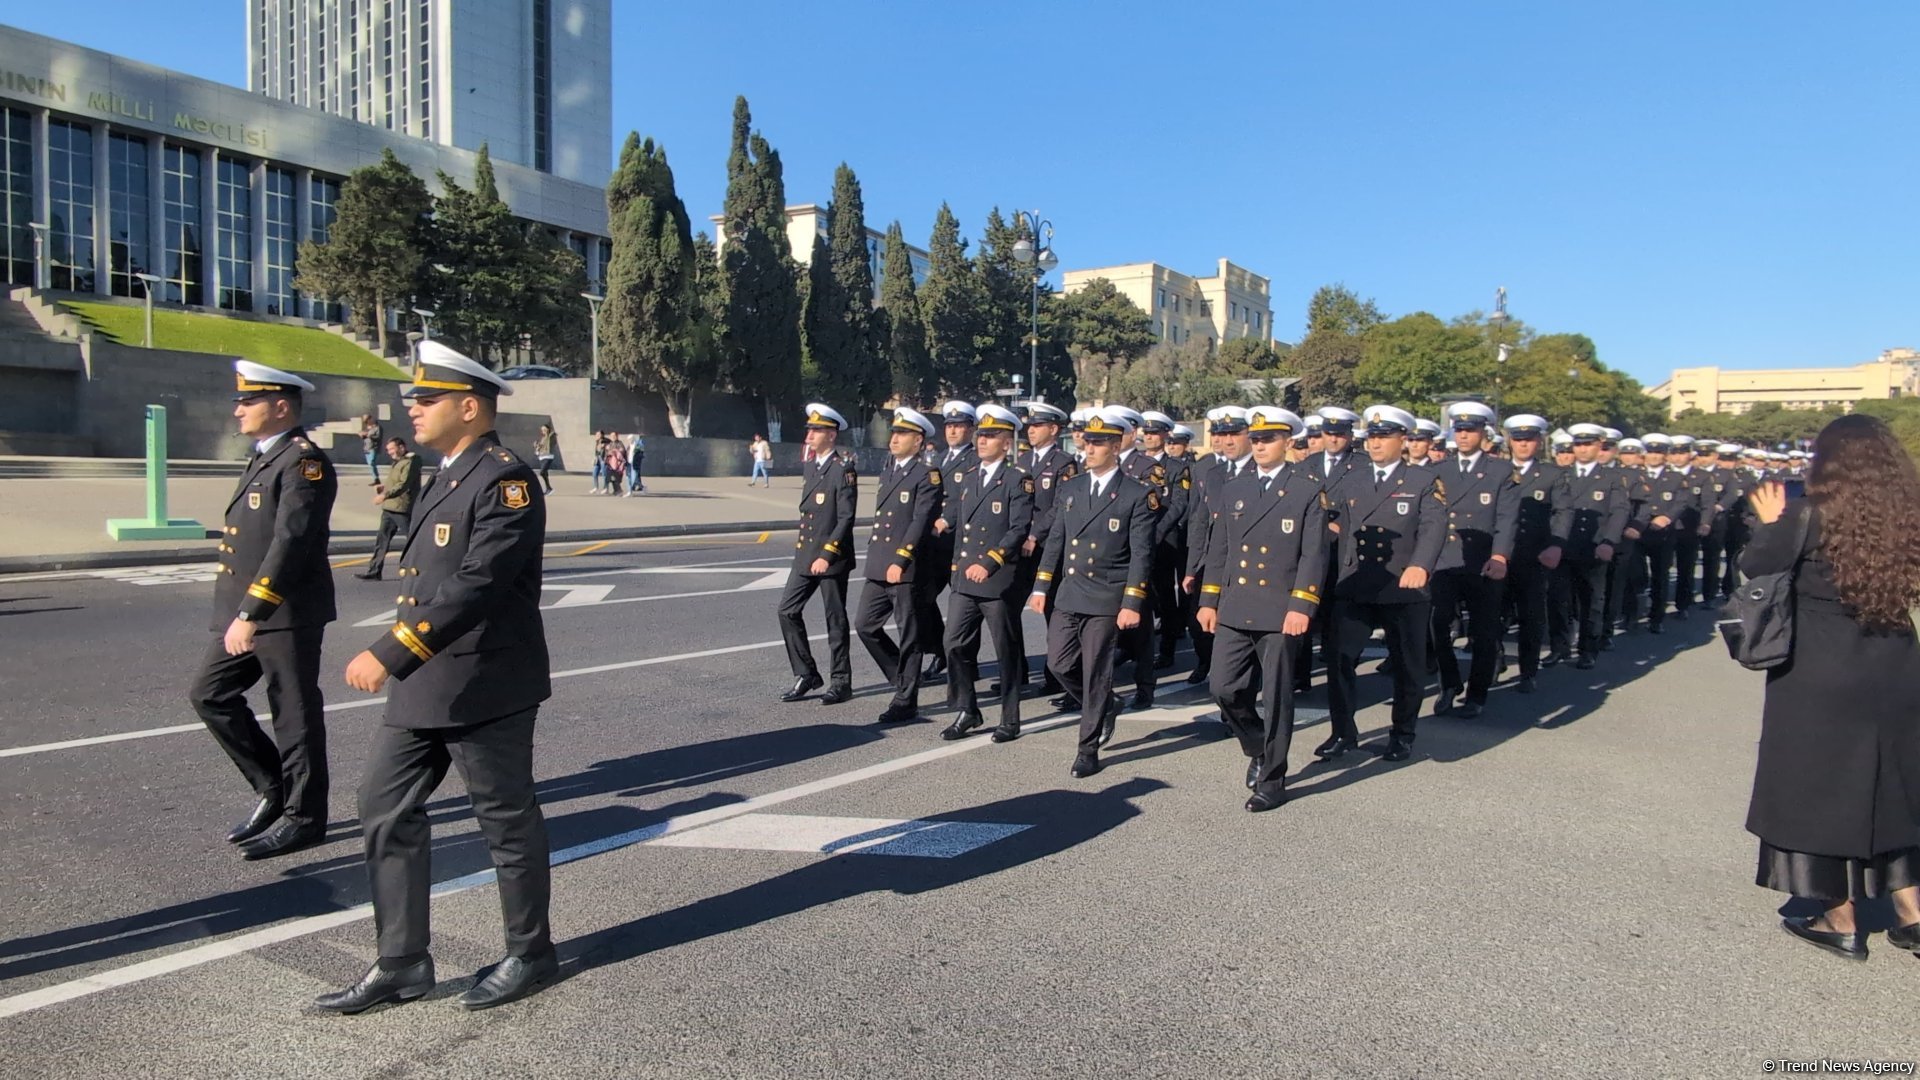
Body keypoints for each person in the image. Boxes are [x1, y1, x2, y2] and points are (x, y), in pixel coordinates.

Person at [324, 340, 556, 1014]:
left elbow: (477, 585)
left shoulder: (507, 480)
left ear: (469, 406)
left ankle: (530, 953)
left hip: (486, 681)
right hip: (427, 683)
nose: (413, 411)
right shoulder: (446, 472)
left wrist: (392, 651)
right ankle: (402, 962)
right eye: (413, 400)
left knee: (505, 823)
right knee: (383, 806)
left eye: (426, 400)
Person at [1742, 414, 1920, 961]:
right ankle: (1913, 914)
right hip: (1895, 662)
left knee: (1816, 787)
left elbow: (1756, 567)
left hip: (1819, 668)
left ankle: (1839, 918)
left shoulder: (1806, 514)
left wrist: (1769, 522)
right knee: (1895, 787)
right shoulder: (1907, 515)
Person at [189, 361, 338, 861]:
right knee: (210, 695)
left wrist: (252, 611)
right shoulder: (264, 458)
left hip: (284, 610)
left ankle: (305, 817)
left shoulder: (303, 462)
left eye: (247, 401)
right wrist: (240, 613)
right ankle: (274, 787)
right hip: (244, 612)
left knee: (293, 713)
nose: (238, 409)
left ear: (280, 406)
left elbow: (290, 542)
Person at [1196, 406, 1324, 813]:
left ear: (1288, 442)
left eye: (1269, 439)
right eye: (1256, 438)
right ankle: (1256, 746)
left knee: (1278, 697)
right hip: (1236, 604)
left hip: (1280, 608)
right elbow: (1220, 549)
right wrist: (1208, 599)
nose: (1261, 445)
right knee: (1223, 688)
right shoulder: (1235, 487)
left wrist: (1302, 603)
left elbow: (1314, 554)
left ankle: (1273, 779)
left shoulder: (1305, 488)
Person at [1030, 406, 1157, 778]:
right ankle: (1106, 704)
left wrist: (1132, 601)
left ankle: (1087, 748)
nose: (1089, 449)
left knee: (1096, 671)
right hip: (1070, 593)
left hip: (1106, 595)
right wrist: (1041, 586)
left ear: (1116, 446)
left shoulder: (1136, 494)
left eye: (1099, 443)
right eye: (1087, 442)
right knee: (1058, 663)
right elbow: (1056, 541)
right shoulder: (1071, 488)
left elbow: (1141, 554)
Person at [1320, 405, 1446, 763]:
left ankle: (1402, 733)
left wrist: (1421, 564)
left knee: (1408, 665)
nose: (1375, 444)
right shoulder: (1353, 479)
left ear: (1403, 440)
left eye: (1383, 437)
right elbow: (1332, 517)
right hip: (1356, 583)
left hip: (1401, 584)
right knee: (1340, 659)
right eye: (1371, 437)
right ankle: (1342, 731)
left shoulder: (1422, 480)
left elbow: (1434, 526)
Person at [938, 403, 1035, 742]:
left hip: (996, 579)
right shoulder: (968, 477)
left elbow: (1018, 529)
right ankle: (968, 709)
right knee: (953, 643)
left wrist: (990, 562)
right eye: (981, 435)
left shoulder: (1017, 480)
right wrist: (957, 568)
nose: (982, 441)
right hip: (965, 578)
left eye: (991, 436)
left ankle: (1010, 718)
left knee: (1004, 650)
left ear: (1006, 443)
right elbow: (963, 529)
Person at [1429, 401, 1517, 719]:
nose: (1464, 435)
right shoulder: (1439, 469)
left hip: (1483, 561)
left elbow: (1507, 519)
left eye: (1471, 430)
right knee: (1438, 625)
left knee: (1483, 631)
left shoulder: (1500, 471)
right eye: (1459, 429)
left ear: (1483, 433)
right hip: (1446, 560)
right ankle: (1449, 684)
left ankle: (1476, 694)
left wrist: (1499, 555)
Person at [855, 408, 942, 724]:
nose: (894, 439)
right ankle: (901, 676)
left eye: (901, 434)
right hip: (879, 564)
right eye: (893, 433)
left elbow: (920, 521)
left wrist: (901, 558)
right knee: (865, 625)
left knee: (910, 634)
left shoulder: (926, 475)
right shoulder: (888, 471)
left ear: (918, 440)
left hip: (904, 567)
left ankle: (906, 700)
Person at [777, 404, 858, 705]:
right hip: (805, 555)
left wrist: (827, 552)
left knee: (834, 620)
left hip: (830, 557)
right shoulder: (811, 466)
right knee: (786, 610)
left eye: (816, 430)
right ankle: (807, 673)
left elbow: (845, 518)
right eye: (809, 429)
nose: (809, 434)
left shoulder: (843, 470)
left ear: (831, 434)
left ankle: (841, 681)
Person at [1183, 407, 1253, 690]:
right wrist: (1191, 568)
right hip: (1212, 561)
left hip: (1246, 565)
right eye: (1220, 434)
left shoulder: (1258, 471)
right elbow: (1200, 522)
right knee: (1199, 620)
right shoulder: (1212, 472)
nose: (1226, 440)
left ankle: (1239, 688)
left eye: (1233, 434)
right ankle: (1206, 662)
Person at [1012, 402, 1078, 694]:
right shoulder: (1023, 462)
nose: (1031, 430)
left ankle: (1057, 678)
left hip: (1046, 547)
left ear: (1053, 429)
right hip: (1019, 546)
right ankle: (1017, 673)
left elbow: (1059, 506)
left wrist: (1035, 535)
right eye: (1029, 425)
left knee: (1054, 613)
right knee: (1009, 609)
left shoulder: (1064, 463)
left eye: (1037, 426)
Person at [1501, 414, 1570, 694]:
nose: (1523, 445)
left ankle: (1528, 671)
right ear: (1509, 441)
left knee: (1530, 617)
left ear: (1539, 442)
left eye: (1529, 440)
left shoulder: (1552, 474)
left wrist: (1556, 545)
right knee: (1493, 615)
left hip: (1533, 557)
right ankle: (1493, 663)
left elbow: (1563, 512)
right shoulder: (1496, 470)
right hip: (1500, 556)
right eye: (1518, 439)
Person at [919, 401, 979, 687]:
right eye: (950, 426)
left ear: (970, 430)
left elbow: (964, 500)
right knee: (922, 599)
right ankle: (939, 652)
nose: (953, 431)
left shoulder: (975, 460)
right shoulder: (937, 459)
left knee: (966, 607)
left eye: (959, 426)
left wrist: (946, 519)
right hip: (935, 546)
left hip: (959, 543)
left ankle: (968, 663)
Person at [1559, 424, 1628, 670]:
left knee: (1591, 601)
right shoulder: (1562, 474)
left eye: (1588, 444)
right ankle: (1561, 646)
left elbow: (1619, 511)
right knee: (1560, 600)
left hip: (1594, 547)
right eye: (1578, 444)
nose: (1583, 449)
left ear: (1600, 446)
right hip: (1563, 547)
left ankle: (1588, 649)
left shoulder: (1610, 478)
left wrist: (1609, 541)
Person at [357, 436, 420, 581]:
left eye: (392, 449)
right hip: (389, 508)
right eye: (388, 450)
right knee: (382, 541)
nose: (389, 452)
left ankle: (420, 569)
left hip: (401, 508)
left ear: (402, 447)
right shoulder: (398, 462)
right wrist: (383, 488)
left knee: (413, 540)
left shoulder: (411, 462)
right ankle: (374, 571)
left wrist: (384, 495)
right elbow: (394, 482)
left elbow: (403, 484)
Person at [359, 414, 383, 484]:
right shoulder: (368, 428)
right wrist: (362, 435)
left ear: (371, 419)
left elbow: (378, 437)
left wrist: (369, 436)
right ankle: (375, 478)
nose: (366, 422)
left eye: (367, 420)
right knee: (370, 464)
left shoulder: (378, 428)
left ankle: (376, 479)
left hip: (373, 447)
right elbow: (365, 437)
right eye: (365, 421)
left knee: (372, 463)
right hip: (367, 448)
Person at [533, 424, 557, 495]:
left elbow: (551, 441)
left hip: (548, 457)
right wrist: (537, 446)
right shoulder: (543, 438)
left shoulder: (551, 436)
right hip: (542, 457)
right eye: (542, 430)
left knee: (542, 472)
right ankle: (548, 489)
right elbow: (540, 447)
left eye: (544, 429)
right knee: (545, 473)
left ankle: (549, 488)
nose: (543, 431)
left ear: (548, 429)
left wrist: (549, 433)